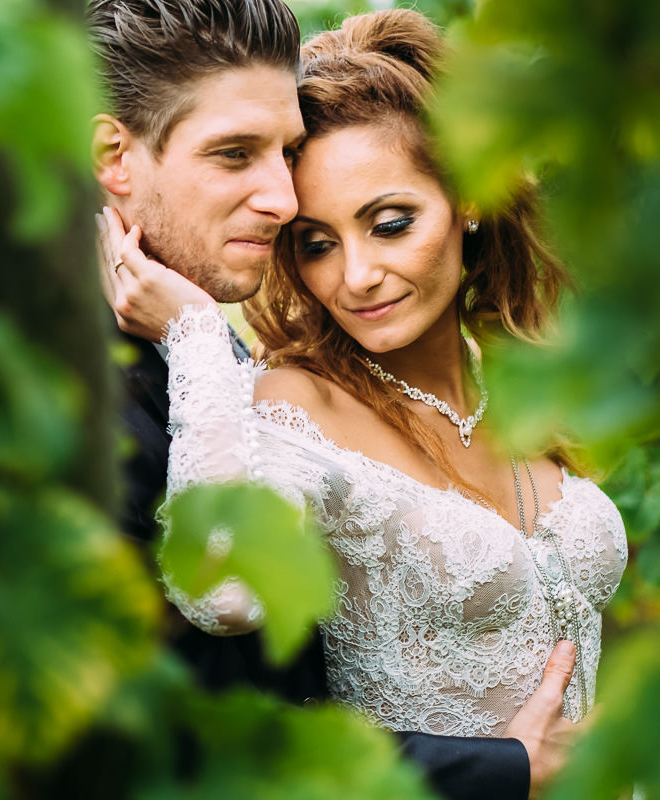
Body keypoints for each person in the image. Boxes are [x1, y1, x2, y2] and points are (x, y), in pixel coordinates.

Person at [96, 5, 628, 799]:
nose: (356, 276)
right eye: (316, 243)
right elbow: (222, 595)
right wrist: (197, 336)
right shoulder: (280, 402)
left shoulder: (519, 388)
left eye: (391, 223)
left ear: (468, 199)